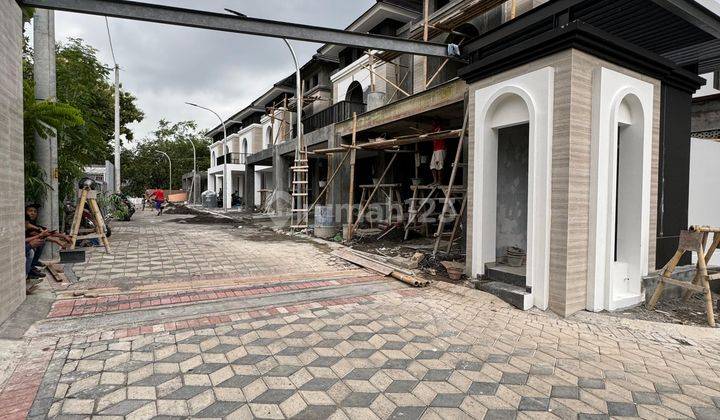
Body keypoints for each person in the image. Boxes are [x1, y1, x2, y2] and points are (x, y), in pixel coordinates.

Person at [429, 119, 446, 186]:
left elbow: (437, 135)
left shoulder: (440, 129)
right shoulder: (434, 130)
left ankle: (439, 181)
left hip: (441, 149)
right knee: (432, 165)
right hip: (435, 150)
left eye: (433, 123)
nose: (432, 124)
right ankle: (435, 181)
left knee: (439, 165)